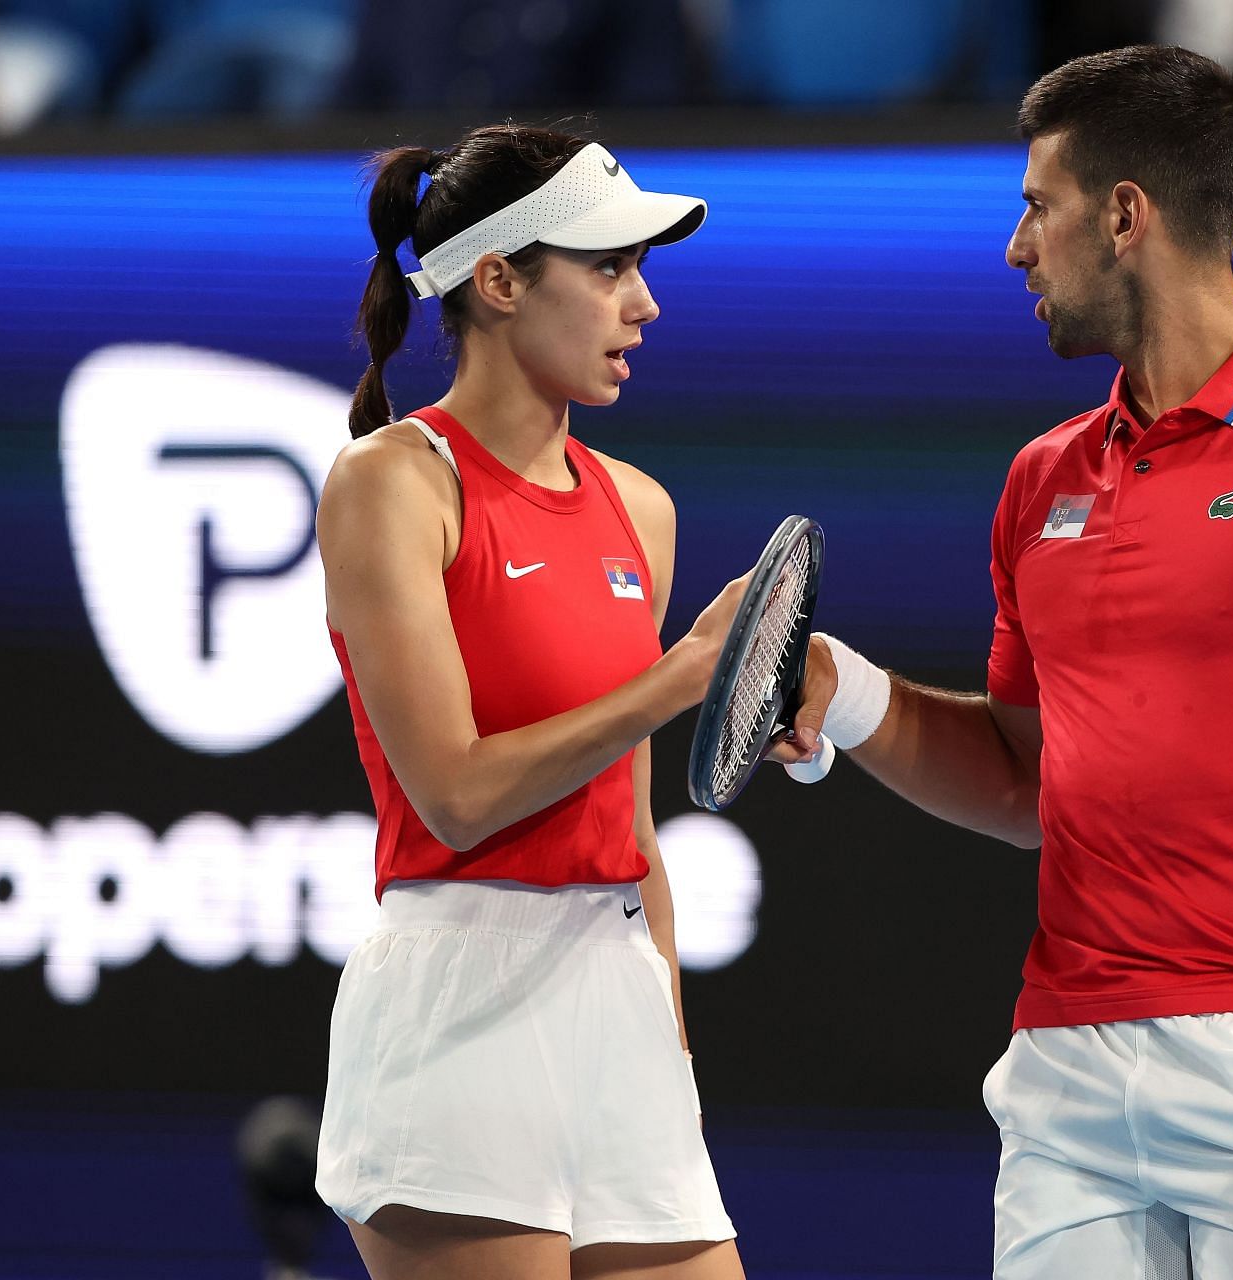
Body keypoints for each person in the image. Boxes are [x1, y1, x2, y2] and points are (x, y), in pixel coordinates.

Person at [772, 44, 1233, 1278]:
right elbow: (1026, 780)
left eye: (1035, 208)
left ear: (1124, 217)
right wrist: (849, 696)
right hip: (1067, 1071)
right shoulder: (1039, 479)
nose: (1017, 249)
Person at [313, 122, 750, 1280]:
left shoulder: (639, 510)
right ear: (498, 280)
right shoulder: (393, 482)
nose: (643, 304)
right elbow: (455, 795)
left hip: (615, 995)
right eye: (609, 268)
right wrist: (674, 681)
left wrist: (666, 1029)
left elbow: (632, 824)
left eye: (640, 270)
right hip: (459, 1000)